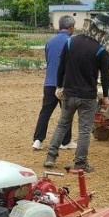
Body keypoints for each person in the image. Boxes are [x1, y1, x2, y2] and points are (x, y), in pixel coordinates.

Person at [44, 13, 109, 174]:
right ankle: (80, 163)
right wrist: (106, 96)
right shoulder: (101, 50)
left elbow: (61, 67)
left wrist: (59, 86)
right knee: (84, 130)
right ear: (102, 31)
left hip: (68, 93)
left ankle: (51, 157)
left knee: (62, 125)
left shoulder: (70, 42)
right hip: (87, 97)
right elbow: (105, 76)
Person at [32, 15, 76, 151]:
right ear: (71, 27)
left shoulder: (49, 42)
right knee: (67, 113)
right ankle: (65, 142)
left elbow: (49, 61)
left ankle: (38, 140)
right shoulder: (71, 42)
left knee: (45, 111)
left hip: (49, 83)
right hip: (65, 84)